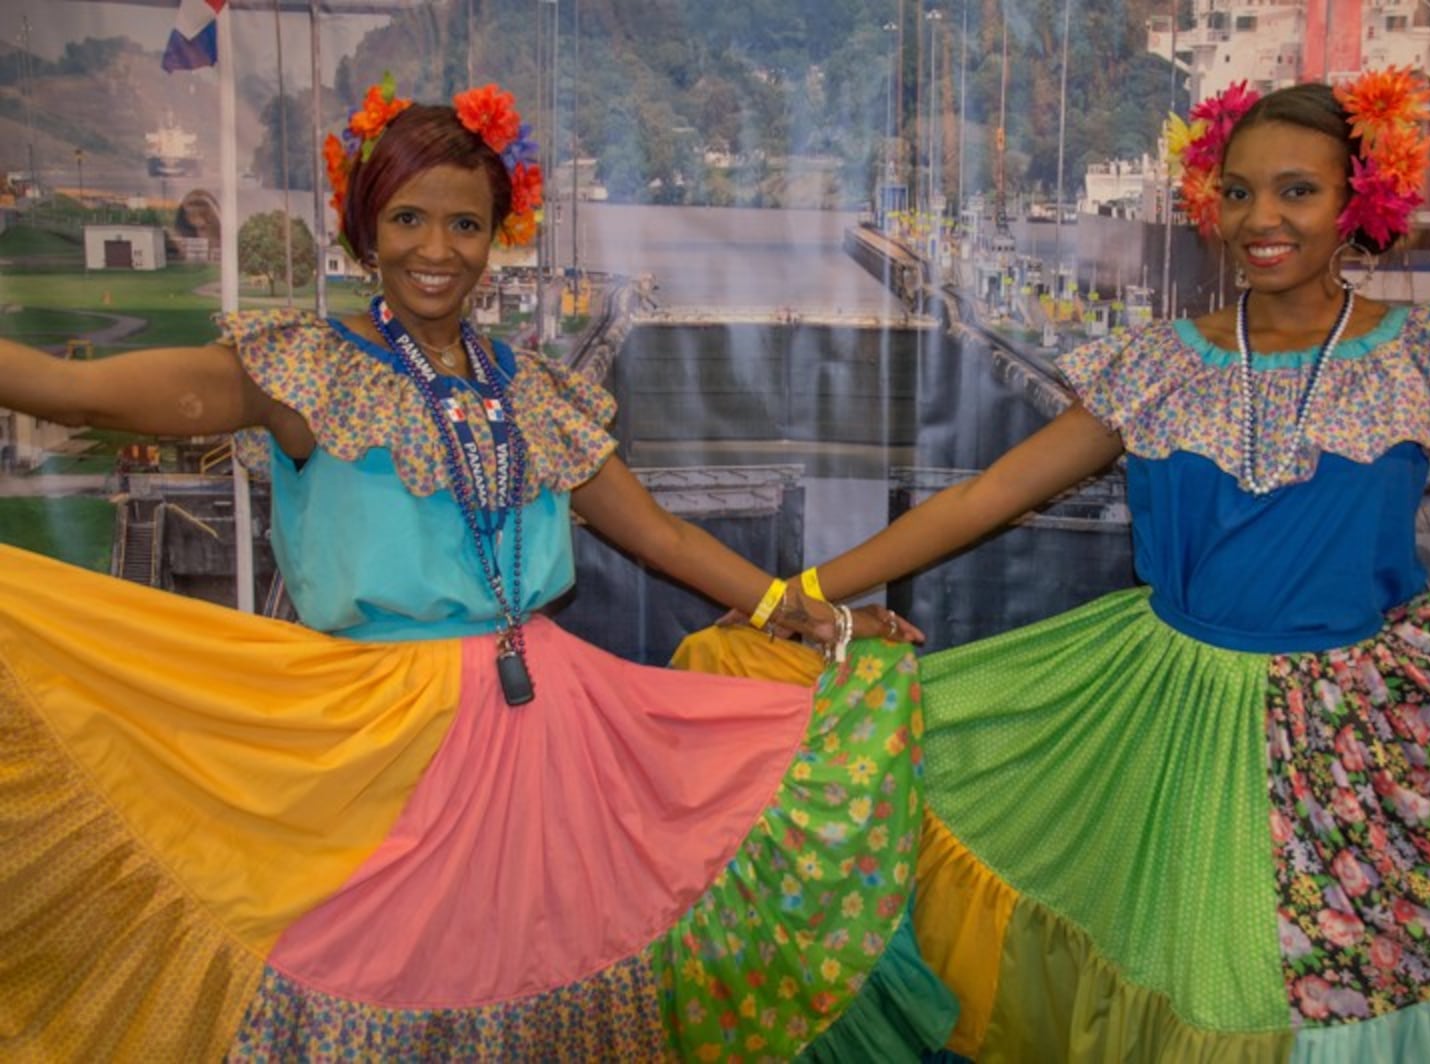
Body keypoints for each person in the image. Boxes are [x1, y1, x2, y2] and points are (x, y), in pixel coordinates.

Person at [0, 79, 956, 1060]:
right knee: (375, 979)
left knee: (544, 983)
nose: (435, 248)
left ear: (499, 232)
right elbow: (77, 393)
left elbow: (659, 535)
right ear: (364, 225)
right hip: (365, 741)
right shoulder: (303, 371)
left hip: (549, 738)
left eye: (465, 222)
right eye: (408, 217)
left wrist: (809, 611)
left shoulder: (531, 388)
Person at [675, 71, 1430, 1061]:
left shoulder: (1426, 351)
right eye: (1237, 192)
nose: (1260, 218)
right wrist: (800, 595)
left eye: (1297, 190)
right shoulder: (1158, 363)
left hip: (1346, 731)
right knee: (1178, 965)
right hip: (1156, 710)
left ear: (1357, 203)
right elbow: (986, 494)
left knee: (1259, 985)